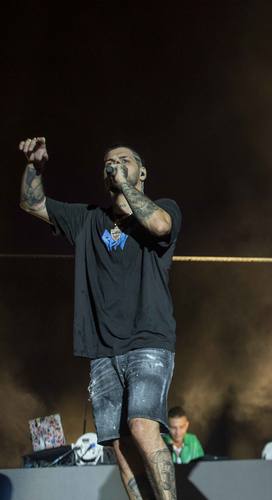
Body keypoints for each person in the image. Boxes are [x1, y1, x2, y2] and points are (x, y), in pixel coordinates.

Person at [18, 137, 181, 500]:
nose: (115, 164)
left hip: (147, 341)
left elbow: (159, 226)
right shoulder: (88, 219)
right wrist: (34, 167)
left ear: (142, 173)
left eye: (124, 160)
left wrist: (124, 186)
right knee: (119, 446)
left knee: (142, 426)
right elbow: (32, 203)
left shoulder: (165, 208)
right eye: (109, 162)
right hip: (103, 350)